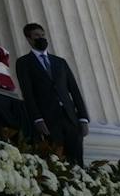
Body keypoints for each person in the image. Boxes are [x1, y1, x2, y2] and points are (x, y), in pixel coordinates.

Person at [15, 20, 90, 165]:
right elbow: (28, 93)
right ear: (29, 39)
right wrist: (37, 119)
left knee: (77, 158)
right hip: (48, 119)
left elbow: (74, 90)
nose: (41, 38)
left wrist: (83, 118)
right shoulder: (24, 63)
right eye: (37, 35)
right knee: (56, 158)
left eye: (43, 35)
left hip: (70, 117)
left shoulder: (59, 62)